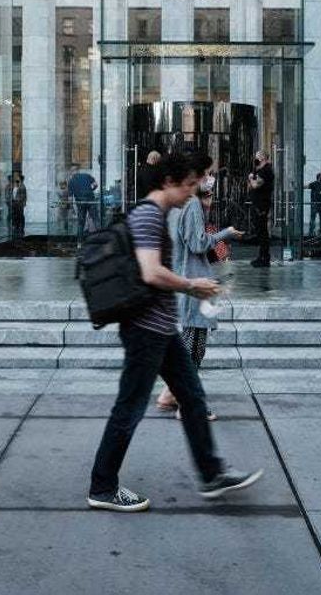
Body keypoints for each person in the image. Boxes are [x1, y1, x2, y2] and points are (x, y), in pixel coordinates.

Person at [87, 152, 261, 513]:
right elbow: (151, 272)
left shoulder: (159, 212)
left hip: (161, 328)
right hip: (145, 330)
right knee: (129, 408)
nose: (193, 191)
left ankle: (211, 474)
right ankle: (102, 486)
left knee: (192, 397)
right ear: (169, 182)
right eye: (189, 184)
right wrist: (191, 285)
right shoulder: (149, 214)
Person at [156, 167, 242, 417]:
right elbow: (198, 244)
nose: (210, 179)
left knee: (190, 346)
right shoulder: (191, 203)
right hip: (195, 285)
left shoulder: (176, 203)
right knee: (193, 349)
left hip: (184, 282)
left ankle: (169, 395)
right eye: (206, 174)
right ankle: (188, 404)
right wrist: (226, 234)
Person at [248, 151, 274, 266]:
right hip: (258, 203)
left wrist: (251, 178)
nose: (256, 159)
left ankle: (264, 257)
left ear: (263, 158)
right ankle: (262, 256)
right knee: (260, 230)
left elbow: (255, 185)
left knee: (262, 231)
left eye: (257, 157)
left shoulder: (266, 170)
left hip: (262, 205)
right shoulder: (259, 170)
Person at [67, 165, 98, 239]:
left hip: (80, 203)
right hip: (91, 201)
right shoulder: (86, 175)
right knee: (96, 219)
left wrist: (71, 208)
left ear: (72, 172)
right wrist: (91, 190)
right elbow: (95, 185)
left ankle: (79, 241)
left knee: (81, 223)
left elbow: (70, 198)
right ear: (78, 170)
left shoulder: (71, 181)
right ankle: (102, 238)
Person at [8, 173, 27, 238]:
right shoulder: (17, 185)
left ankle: (20, 227)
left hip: (19, 203)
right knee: (17, 215)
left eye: (17, 178)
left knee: (20, 215)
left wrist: (19, 201)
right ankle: (17, 226)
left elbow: (23, 196)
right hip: (16, 203)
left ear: (20, 179)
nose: (16, 179)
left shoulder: (22, 186)